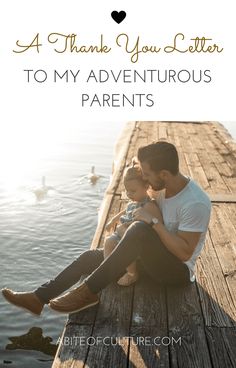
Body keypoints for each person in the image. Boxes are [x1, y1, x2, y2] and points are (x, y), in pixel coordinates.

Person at [1, 141, 211, 316]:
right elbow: (139, 204)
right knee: (88, 258)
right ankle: (38, 298)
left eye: (146, 174)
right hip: (149, 260)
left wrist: (153, 223)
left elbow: (184, 253)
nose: (144, 178)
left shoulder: (195, 202)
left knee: (139, 230)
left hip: (175, 272)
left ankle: (88, 292)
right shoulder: (160, 189)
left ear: (164, 174)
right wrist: (121, 217)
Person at [104, 162, 153, 286]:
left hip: (132, 238)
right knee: (108, 242)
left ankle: (132, 273)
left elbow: (141, 224)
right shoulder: (132, 202)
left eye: (133, 191)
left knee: (127, 249)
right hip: (121, 232)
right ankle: (108, 269)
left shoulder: (147, 205)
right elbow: (124, 211)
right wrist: (113, 220)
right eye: (127, 191)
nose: (129, 194)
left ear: (146, 186)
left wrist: (125, 227)